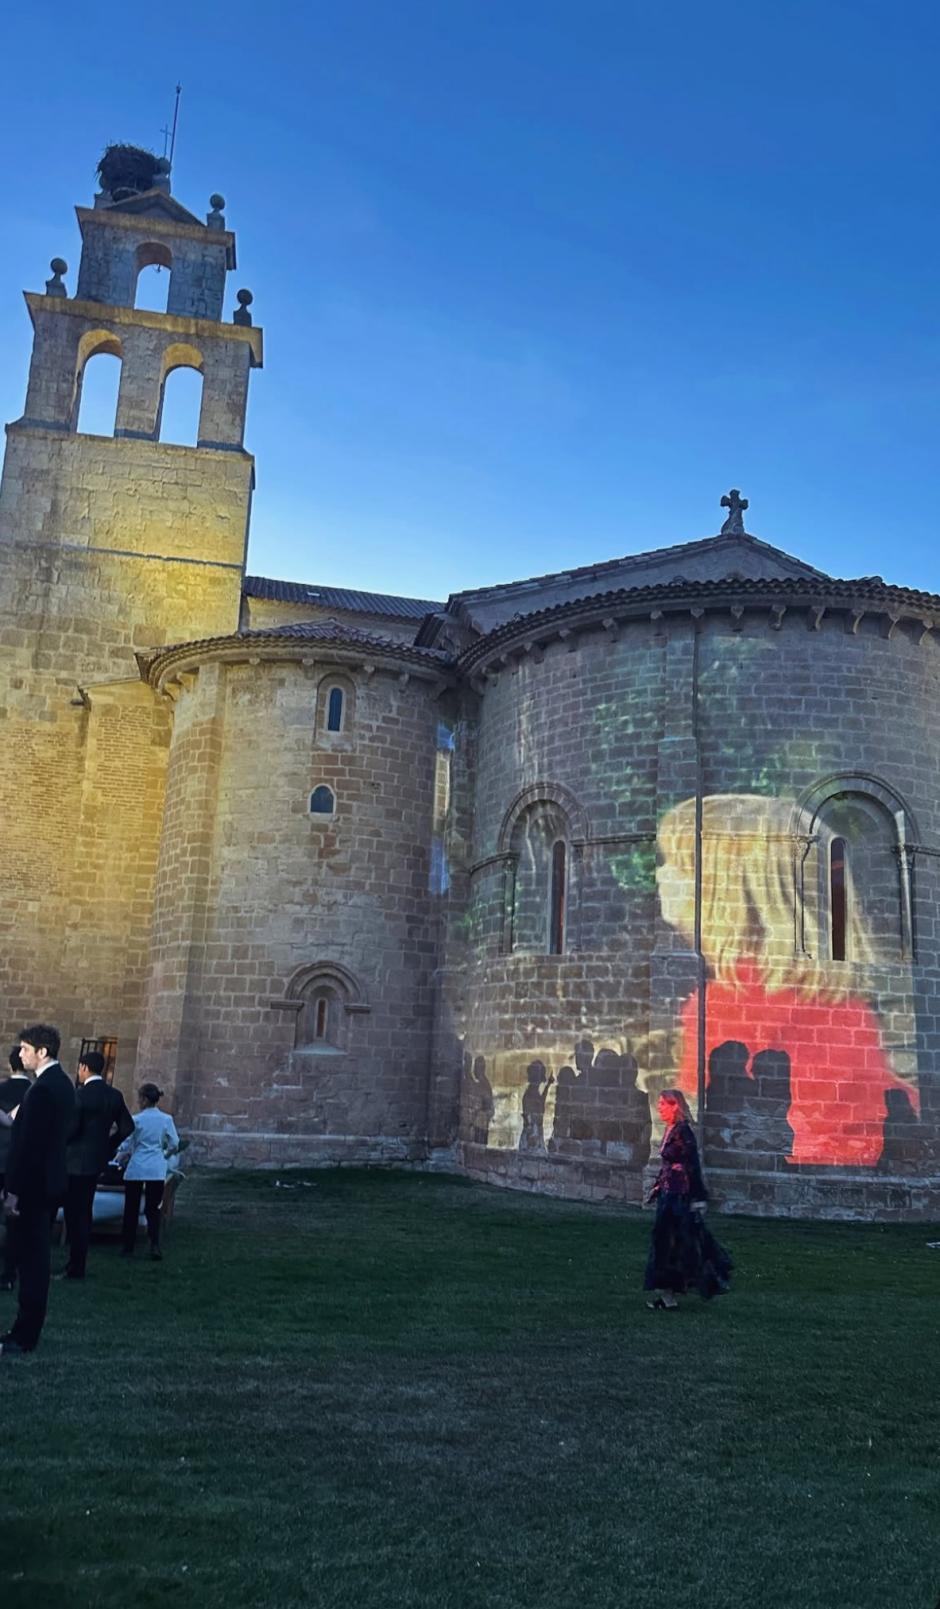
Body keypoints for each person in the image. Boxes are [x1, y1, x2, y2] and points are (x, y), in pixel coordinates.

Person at [656, 793, 919, 1166]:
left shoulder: (727, 1006)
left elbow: (695, 1124)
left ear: (726, 891)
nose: (660, 875)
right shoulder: (842, 1002)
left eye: (677, 864)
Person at [0, 1026, 76, 1357]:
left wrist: (13, 1191)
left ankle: (24, 1334)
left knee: (32, 1261)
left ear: (42, 1052)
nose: (21, 1055)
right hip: (47, 1180)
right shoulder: (60, 1084)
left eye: (25, 1049)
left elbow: (28, 1146)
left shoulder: (44, 1088)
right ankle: (23, 1329)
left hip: (33, 1185)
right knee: (31, 1256)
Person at [644, 1090, 731, 1309]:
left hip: (679, 1197)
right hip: (668, 1195)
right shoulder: (670, 1129)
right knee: (665, 1244)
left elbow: (692, 1165)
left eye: (663, 1103)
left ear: (675, 1106)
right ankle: (667, 1296)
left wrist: (698, 1197)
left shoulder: (683, 1132)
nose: (659, 1107)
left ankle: (678, 1291)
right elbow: (667, 1166)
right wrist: (656, 1188)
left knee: (677, 1244)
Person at [59, 1051, 134, 1281]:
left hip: (73, 1162)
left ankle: (74, 1265)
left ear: (83, 1067)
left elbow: (70, 1130)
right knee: (85, 1211)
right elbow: (127, 1127)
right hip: (96, 1162)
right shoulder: (114, 1095)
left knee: (73, 1214)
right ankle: (77, 1263)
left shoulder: (79, 1095)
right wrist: (108, 1146)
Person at [114, 1084, 179, 1260]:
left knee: (131, 1208)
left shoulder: (136, 1120)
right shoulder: (166, 1119)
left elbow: (127, 1143)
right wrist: (164, 1154)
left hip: (137, 1166)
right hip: (156, 1167)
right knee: (153, 1208)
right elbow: (174, 1143)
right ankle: (154, 1243)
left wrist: (120, 1155)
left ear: (144, 1099)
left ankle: (128, 1246)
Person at [0, 1047, 32, 1292]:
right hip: (23, 1162)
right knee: (18, 1219)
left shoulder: (2, 1090)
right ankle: (11, 1271)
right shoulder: (36, 1092)